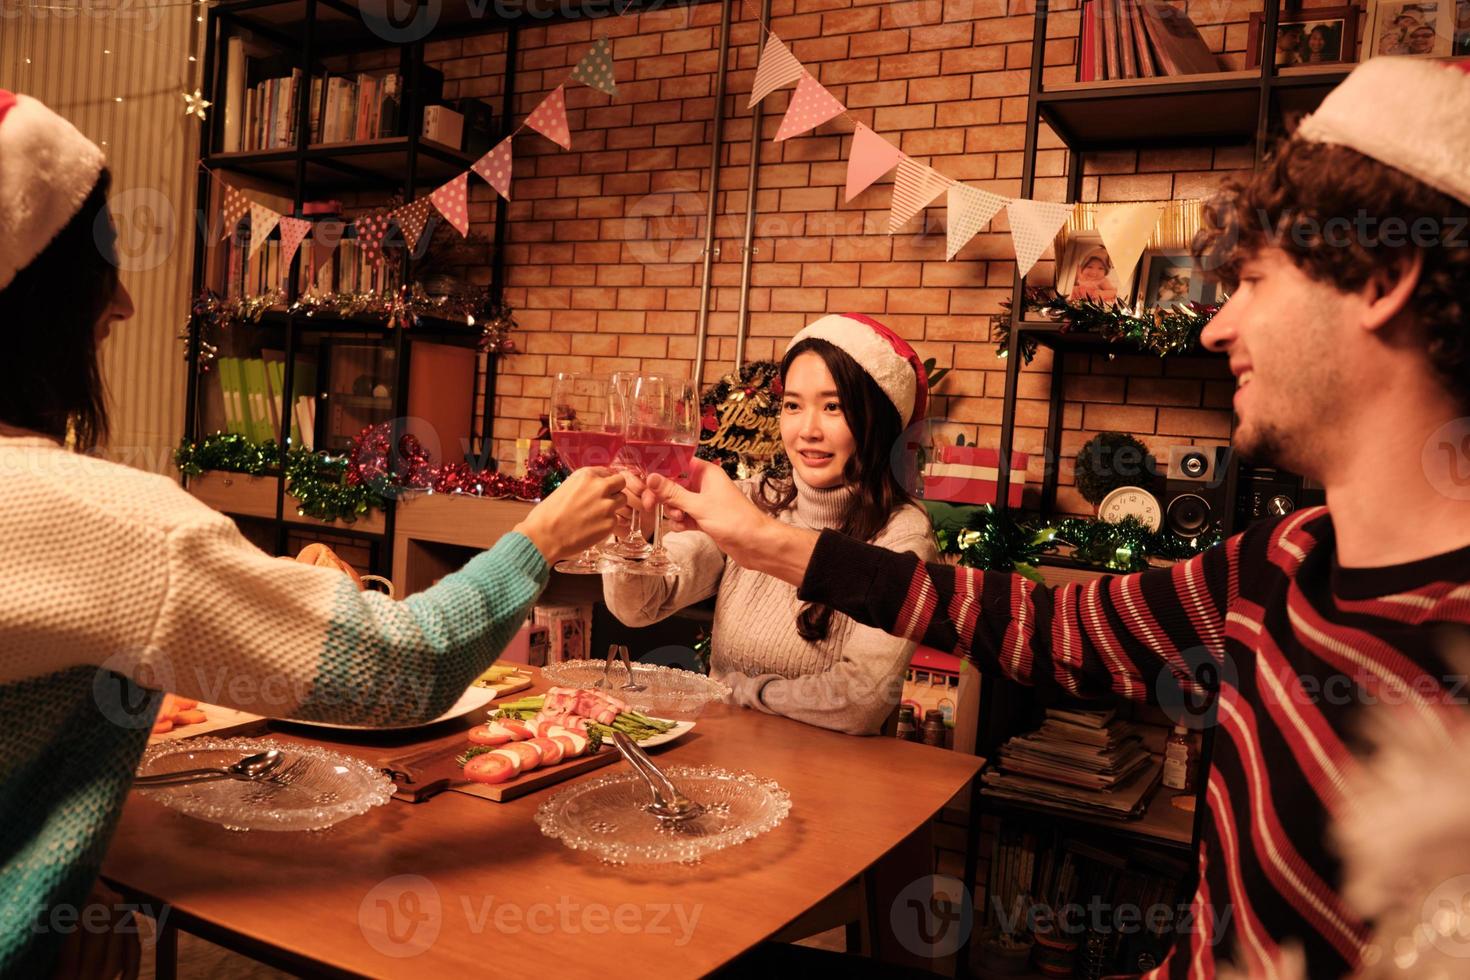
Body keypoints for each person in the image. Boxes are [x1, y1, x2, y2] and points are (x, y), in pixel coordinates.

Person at [644, 57, 1470, 978]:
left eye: (1256, 282)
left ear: (1382, 275)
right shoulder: (1274, 564)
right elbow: (1046, 626)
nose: (1214, 327)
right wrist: (766, 540)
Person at [0, 90, 626, 976]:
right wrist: (539, 539)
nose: (126, 303)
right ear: (42, 300)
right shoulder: (113, 527)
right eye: (104, 259)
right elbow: (404, 664)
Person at [603, 314, 937, 735]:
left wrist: (735, 690)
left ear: (880, 420)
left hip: (833, 777)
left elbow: (860, 702)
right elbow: (640, 605)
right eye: (793, 405)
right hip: (724, 762)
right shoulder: (751, 499)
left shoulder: (902, 535)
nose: (807, 430)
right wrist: (630, 538)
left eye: (833, 407)